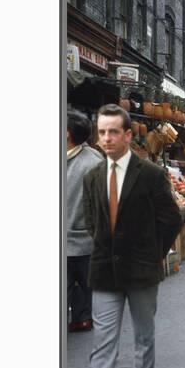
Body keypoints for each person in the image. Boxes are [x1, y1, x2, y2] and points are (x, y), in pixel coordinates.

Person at [67, 104, 183, 368]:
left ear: (128, 135)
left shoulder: (148, 174)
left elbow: (171, 219)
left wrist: (154, 255)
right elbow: (92, 222)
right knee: (102, 343)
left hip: (142, 271)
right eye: (101, 132)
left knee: (143, 335)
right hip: (104, 271)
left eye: (113, 131)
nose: (106, 138)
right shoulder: (91, 177)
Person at [66, 109, 103, 333]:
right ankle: (81, 318)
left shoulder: (93, 163)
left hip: (82, 239)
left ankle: (82, 317)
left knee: (81, 283)